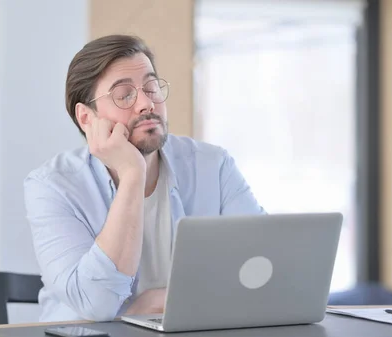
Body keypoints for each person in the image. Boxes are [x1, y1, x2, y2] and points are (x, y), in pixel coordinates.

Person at [24, 34, 265, 323]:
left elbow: (263, 269)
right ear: (87, 118)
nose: (146, 103)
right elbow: (96, 305)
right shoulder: (51, 186)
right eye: (124, 94)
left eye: (151, 88)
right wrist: (132, 174)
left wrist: (157, 301)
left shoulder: (214, 165)